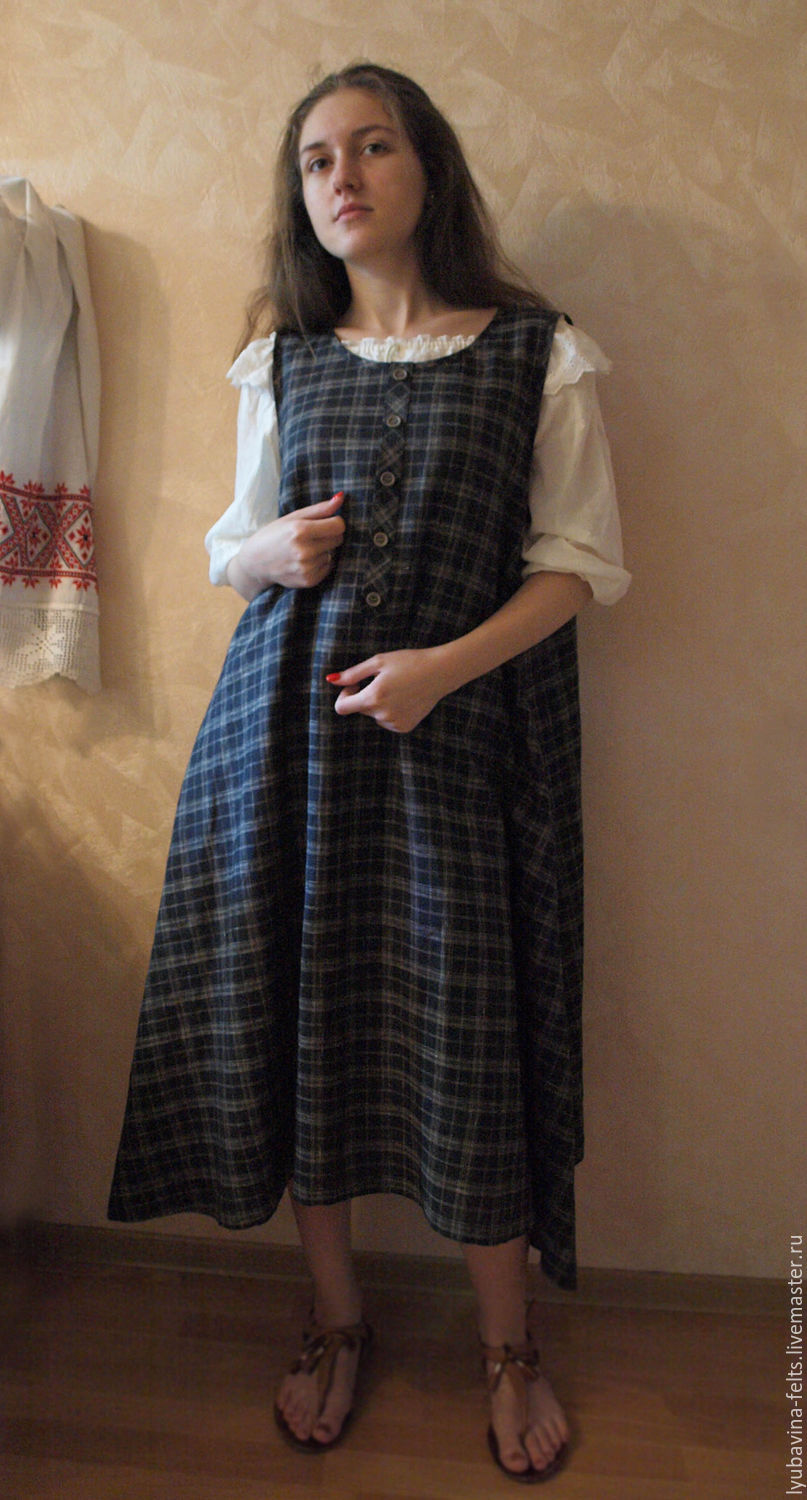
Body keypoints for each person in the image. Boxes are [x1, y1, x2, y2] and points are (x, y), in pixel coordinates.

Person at [109, 62, 629, 1482]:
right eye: (317, 160)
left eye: (373, 146)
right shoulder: (281, 359)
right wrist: (265, 551)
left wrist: (441, 669)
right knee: (302, 1014)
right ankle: (335, 1316)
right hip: (282, 742)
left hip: (462, 748)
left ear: (427, 167)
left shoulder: (539, 353)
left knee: (471, 1031)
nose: (342, 176)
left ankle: (508, 1342)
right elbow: (232, 550)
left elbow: (579, 566)